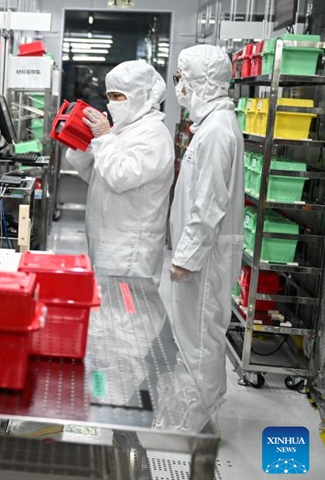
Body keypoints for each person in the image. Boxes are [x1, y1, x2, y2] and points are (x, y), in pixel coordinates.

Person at [169, 44, 244, 420]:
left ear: (201, 81)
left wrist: (186, 257)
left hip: (206, 256)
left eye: (182, 78)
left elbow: (209, 202)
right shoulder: (211, 125)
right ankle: (194, 411)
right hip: (206, 252)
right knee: (196, 335)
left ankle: (193, 421)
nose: (179, 86)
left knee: (199, 338)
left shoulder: (216, 131)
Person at [65, 61, 174, 285]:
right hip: (108, 242)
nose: (113, 103)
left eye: (119, 96)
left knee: (127, 314)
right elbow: (97, 175)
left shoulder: (153, 135)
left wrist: (104, 137)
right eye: (110, 96)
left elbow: (119, 176)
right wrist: (84, 141)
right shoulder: (124, 129)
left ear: (141, 95)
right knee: (108, 312)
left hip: (130, 249)